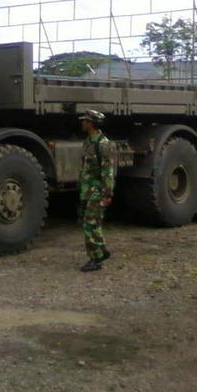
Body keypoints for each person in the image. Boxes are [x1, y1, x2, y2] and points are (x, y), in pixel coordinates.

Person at [77, 109, 116, 272]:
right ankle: (101, 251)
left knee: (89, 224)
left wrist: (107, 194)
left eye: (85, 121)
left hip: (97, 191)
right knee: (92, 223)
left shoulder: (103, 144)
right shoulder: (88, 142)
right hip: (87, 190)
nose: (82, 123)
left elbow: (108, 172)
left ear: (91, 123)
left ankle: (96, 258)